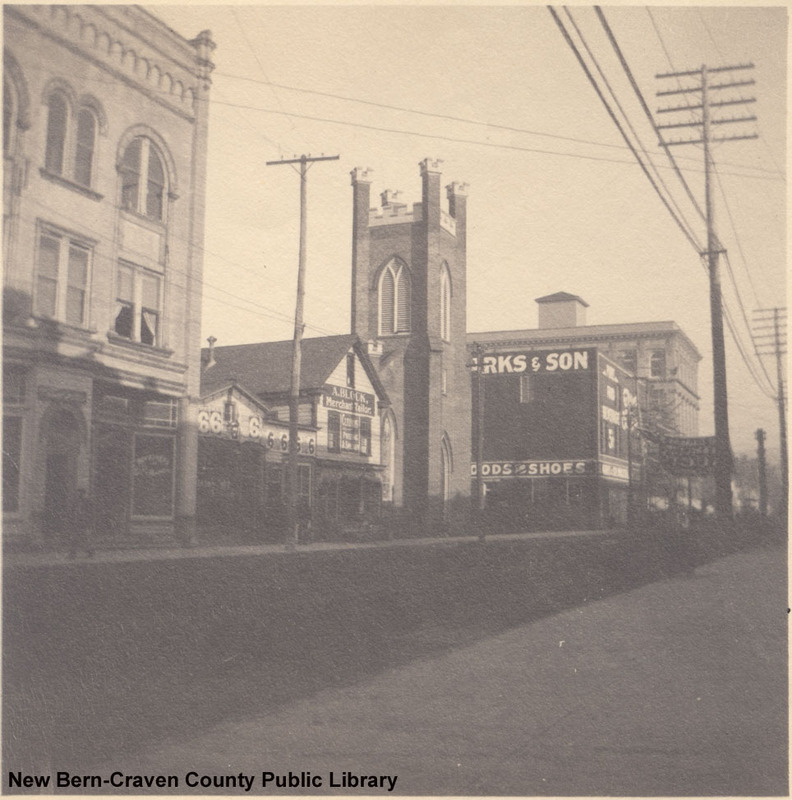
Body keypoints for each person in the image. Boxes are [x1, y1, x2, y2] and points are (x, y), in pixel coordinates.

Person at [67, 488, 94, 559]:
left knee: (85, 538)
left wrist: (89, 522)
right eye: (78, 493)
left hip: (84, 523)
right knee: (74, 538)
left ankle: (90, 552)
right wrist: (72, 520)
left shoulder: (88, 502)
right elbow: (72, 513)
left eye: (81, 493)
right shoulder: (75, 503)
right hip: (76, 522)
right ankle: (72, 553)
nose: (79, 495)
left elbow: (90, 513)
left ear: (83, 494)